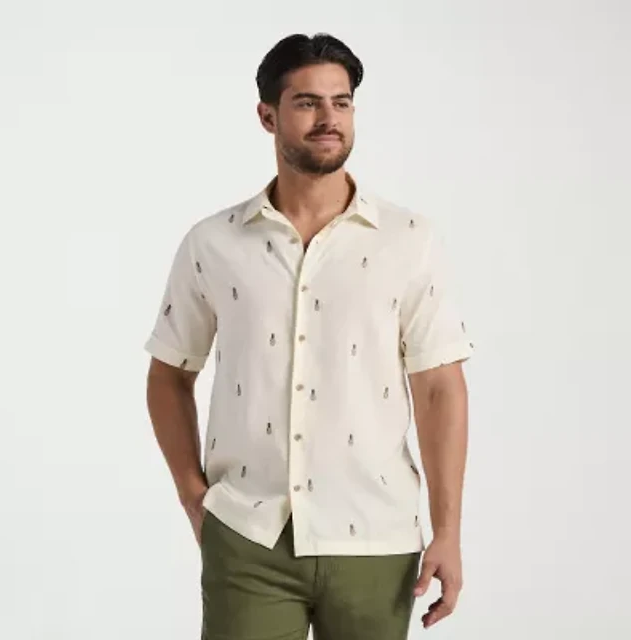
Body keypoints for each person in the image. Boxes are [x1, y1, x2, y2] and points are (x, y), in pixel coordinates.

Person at [144, 32, 474, 640]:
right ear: (267, 115)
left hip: (377, 540)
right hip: (248, 536)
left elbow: (439, 388)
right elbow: (169, 374)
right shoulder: (213, 243)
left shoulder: (408, 239)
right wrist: (195, 499)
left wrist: (448, 532)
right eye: (307, 103)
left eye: (341, 102)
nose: (329, 118)